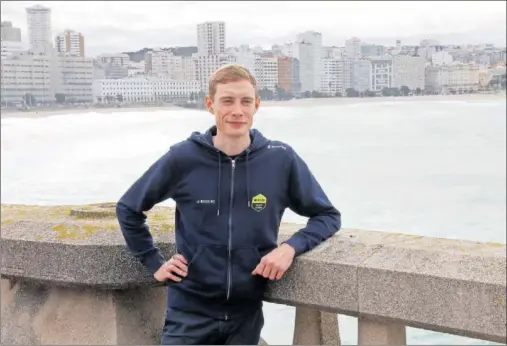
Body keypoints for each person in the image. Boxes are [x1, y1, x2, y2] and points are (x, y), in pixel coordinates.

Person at [116, 64, 341, 345]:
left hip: (246, 316)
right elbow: (128, 208)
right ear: (210, 105)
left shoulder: (281, 159)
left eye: (246, 101)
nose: (237, 110)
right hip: (188, 314)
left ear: (256, 105)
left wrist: (289, 248)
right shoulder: (183, 158)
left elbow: (327, 216)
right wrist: (153, 262)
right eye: (227, 101)